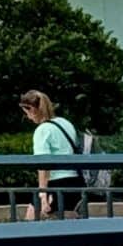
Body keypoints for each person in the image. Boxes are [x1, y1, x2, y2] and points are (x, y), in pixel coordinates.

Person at [22, 90, 85, 218]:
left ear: (32, 109)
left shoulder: (42, 130)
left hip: (55, 183)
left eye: (26, 112)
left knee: (31, 220)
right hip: (75, 181)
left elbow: (43, 164)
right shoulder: (65, 123)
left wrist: (42, 194)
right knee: (67, 222)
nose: (28, 117)